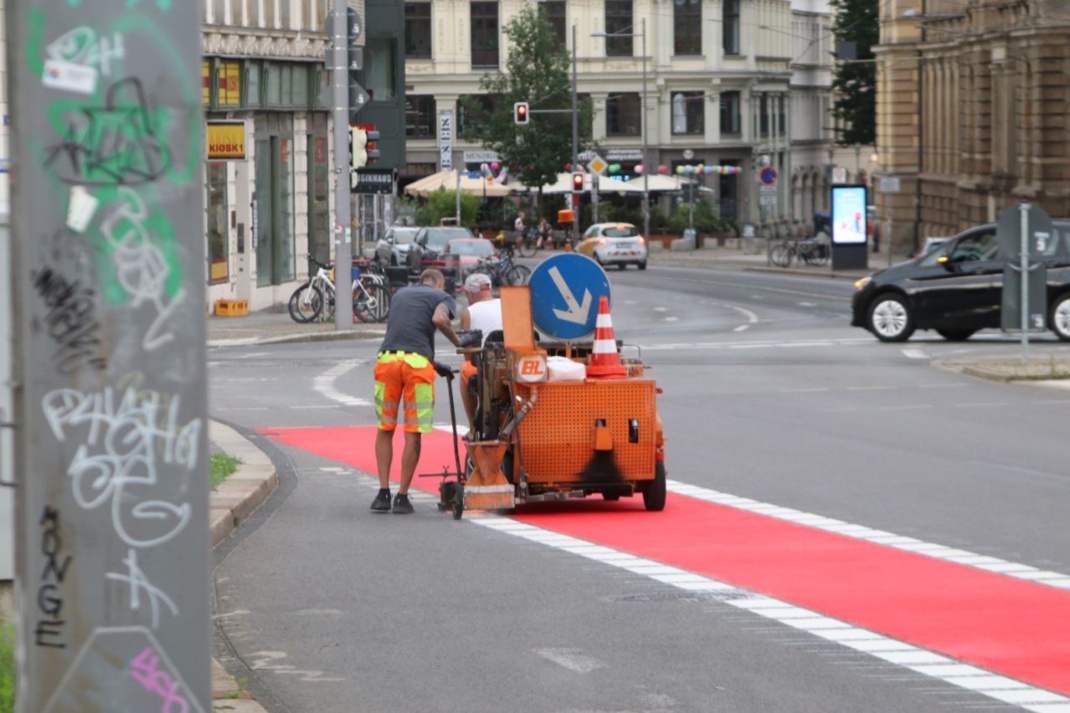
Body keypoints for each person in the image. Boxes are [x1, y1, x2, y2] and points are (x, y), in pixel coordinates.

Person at [371, 268, 475, 514]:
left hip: (387, 362)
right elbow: (439, 320)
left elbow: (404, 336)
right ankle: (402, 497)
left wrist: (436, 365)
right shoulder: (441, 298)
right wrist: (458, 342)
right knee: (413, 431)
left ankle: (382, 493)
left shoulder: (400, 295)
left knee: (385, 428)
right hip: (417, 367)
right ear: (439, 284)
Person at [458, 273, 503, 434]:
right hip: (513, 365)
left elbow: (468, 355)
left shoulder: (469, 312)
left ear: (470, 293)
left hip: (487, 368)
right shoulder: (508, 304)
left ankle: (472, 427)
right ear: (489, 288)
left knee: (466, 369)